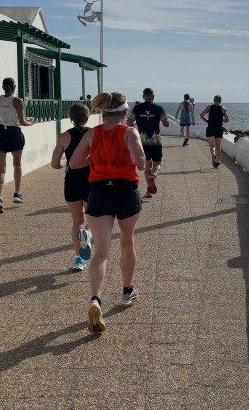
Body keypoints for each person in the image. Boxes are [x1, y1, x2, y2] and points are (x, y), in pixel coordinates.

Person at [69, 92, 147, 333]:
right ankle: (127, 291)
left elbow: (74, 163)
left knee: (101, 252)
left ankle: (95, 299)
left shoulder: (92, 133)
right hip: (125, 192)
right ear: (124, 112)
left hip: (99, 192)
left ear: (104, 112)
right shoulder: (129, 132)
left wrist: (95, 159)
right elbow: (140, 162)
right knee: (127, 241)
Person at [51, 103, 93, 272]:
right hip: (92, 180)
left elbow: (55, 164)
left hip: (72, 181)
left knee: (77, 220)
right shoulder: (94, 134)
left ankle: (79, 259)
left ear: (71, 118)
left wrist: (67, 162)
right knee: (92, 219)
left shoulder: (63, 137)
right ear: (87, 117)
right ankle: (87, 236)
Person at [0, 77, 35, 213]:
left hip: (1, 134)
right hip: (14, 134)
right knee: (17, 164)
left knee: (1, 169)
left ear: (3, 87)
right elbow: (22, 122)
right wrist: (31, 122)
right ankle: (17, 193)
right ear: (14, 87)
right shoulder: (17, 101)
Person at [127, 88, 169, 198]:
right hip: (156, 141)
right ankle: (153, 176)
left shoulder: (137, 108)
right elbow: (166, 124)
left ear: (143, 97)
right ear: (153, 97)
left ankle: (149, 191)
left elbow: (129, 123)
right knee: (157, 164)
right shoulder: (159, 108)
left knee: (147, 166)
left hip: (143, 142)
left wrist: (137, 120)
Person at [200, 95, 230, 168]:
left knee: (212, 146)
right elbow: (227, 120)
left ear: (214, 100)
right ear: (220, 101)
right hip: (219, 129)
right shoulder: (223, 109)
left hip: (211, 128)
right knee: (218, 146)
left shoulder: (209, 107)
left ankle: (213, 155)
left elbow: (201, 115)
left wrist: (207, 121)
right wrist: (221, 119)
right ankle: (217, 161)